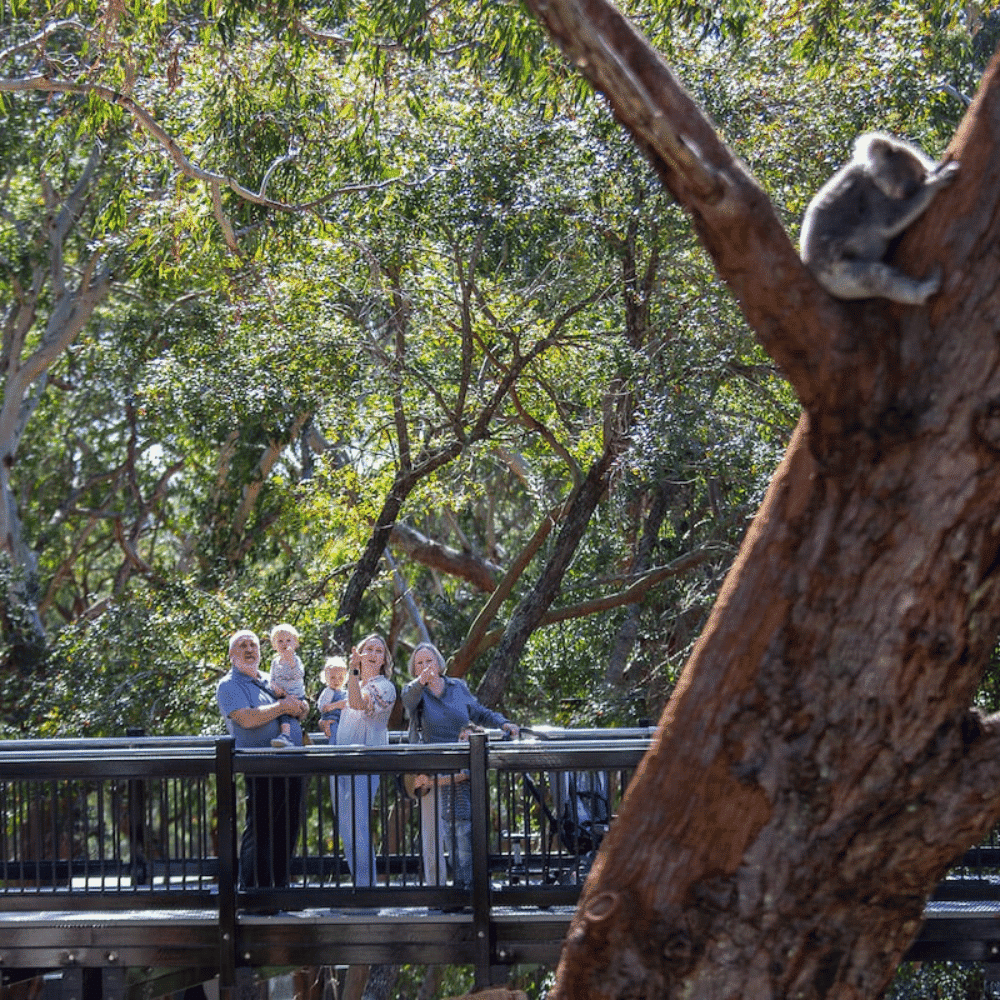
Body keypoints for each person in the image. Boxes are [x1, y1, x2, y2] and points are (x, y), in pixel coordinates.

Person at [402, 642, 519, 890]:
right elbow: (407, 700)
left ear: (439, 663)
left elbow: (479, 712)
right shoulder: (415, 692)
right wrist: (420, 682)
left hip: (461, 766)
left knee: (463, 831)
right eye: (419, 663)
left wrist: (504, 723)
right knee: (433, 835)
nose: (425, 667)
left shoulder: (457, 687)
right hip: (430, 768)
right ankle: (437, 891)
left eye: (429, 661)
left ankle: (467, 887)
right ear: (414, 669)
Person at [216, 629, 309, 895]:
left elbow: (301, 705)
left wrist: (300, 707)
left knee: (287, 829)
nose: (249, 650)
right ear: (232, 655)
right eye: (242, 646)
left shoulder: (272, 679)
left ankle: (279, 892)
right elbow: (246, 718)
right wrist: (282, 707)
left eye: (253, 645)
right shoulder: (229, 685)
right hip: (259, 766)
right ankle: (254, 893)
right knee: (261, 831)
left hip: (290, 763)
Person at [334, 633, 397, 887]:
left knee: (359, 825)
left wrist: (352, 672)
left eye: (378, 651)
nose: (372, 654)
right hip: (341, 761)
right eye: (368, 649)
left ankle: (366, 889)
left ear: (384, 660)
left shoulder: (385, 688)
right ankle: (358, 884)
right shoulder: (353, 684)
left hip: (365, 763)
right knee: (346, 827)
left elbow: (358, 705)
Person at [268, 623, 307, 748]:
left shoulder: (295, 660)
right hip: (282, 696)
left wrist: (290, 662)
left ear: (295, 644)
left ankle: (286, 735)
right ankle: (287, 734)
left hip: (296, 695)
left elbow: (300, 674)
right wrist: (275, 687)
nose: (285, 644)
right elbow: (272, 679)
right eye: (280, 641)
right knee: (282, 711)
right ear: (274, 646)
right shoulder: (275, 662)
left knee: (286, 712)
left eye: (288, 640)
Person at [317, 655, 348, 745]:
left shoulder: (344, 693)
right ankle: (333, 749)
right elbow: (322, 707)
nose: (336, 681)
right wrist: (336, 705)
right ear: (326, 678)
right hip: (331, 720)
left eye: (341, 678)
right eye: (333, 678)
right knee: (333, 733)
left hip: (342, 721)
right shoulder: (328, 692)